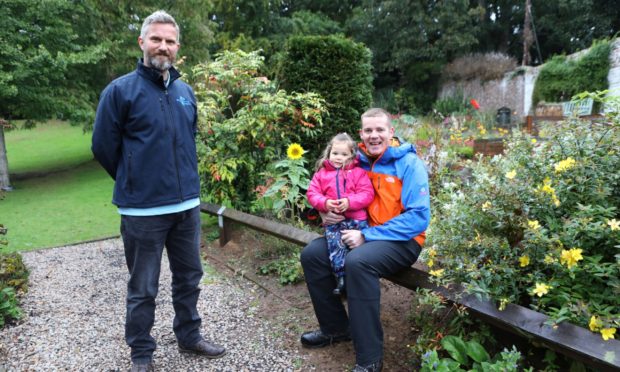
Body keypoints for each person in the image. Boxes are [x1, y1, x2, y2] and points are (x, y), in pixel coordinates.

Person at [91, 10, 225, 372]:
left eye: (169, 41)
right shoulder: (120, 91)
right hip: (142, 212)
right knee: (143, 287)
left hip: (187, 207)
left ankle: (189, 335)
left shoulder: (185, 91)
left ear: (177, 47)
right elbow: (103, 147)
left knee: (189, 278)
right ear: (142, 42)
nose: (162, 46)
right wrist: (133, 179)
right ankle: (142, 353)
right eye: (156, 39)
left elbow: (188, 139)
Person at [299, 108, 431, 372]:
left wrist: (367, 235)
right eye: (368, 130)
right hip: (360, 231)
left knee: (358, 262)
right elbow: (324, 187)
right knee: (312, 254)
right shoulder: (354, 160)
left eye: (380, 129)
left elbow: (418, 218)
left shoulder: (408, 163)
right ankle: (336, 328)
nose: (374, 135)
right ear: (361, 133)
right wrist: (324, 211)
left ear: (391, 132)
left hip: (403, 240)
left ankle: (370, 358)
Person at [306, 133, 375, 296]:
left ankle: (358, 280)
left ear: (352, 156)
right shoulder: (321, 174)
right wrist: (324, 203)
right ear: (329, 153)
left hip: (357, 220)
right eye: (335, 153)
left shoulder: (358, 173)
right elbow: (312, 193)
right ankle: (341, 277)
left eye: (344, 154)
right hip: (334, 222)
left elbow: (367, 194)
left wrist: (349, 202)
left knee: (357, 251)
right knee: (335, 248)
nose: (338, 158)